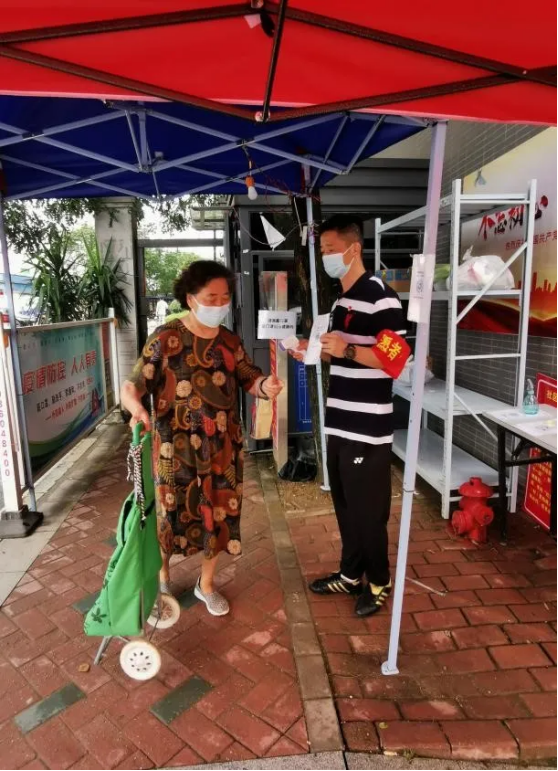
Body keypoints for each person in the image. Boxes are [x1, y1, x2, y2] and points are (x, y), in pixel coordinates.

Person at [121, 261, 283, 617]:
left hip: (222, 449)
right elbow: (133, 385)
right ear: (191, 298)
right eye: (212, 297)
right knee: (169, 516)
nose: (220, 303)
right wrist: (136, 408)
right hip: (172, 449)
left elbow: (249, 377)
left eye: (225, 297)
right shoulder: (165, 338)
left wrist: (265, 386)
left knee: (219, 516)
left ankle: (205, 584)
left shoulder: (229, 341)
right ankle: (162, 577)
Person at [290, 215, 410, 618]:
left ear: (354, 249)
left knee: (367, 511)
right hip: (339, 420)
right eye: (322, 250)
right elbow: (341, 355)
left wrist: (346, 349)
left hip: (367, 427)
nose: (325, 257)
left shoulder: (381, 297)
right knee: (344, 504)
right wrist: (312, 350)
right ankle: (350, 572)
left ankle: (378, 581)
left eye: (330, 249)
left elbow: (396, 360)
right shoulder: (341, 302)